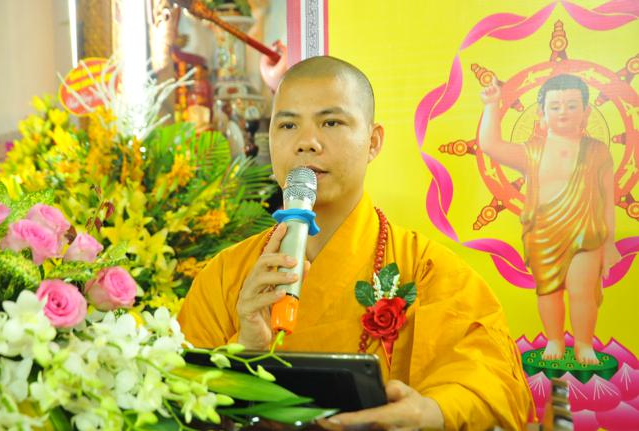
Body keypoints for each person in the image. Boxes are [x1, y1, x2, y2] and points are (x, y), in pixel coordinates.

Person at [179, 56, 533, 430]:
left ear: (373, 142)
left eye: (331, 122)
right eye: (287, 125)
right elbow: (172, 395)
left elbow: (490, 384)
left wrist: (430, 412)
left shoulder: (428, 271)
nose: (306, 143)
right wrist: (245, 351)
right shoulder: (225, 275)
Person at [478, 74, 621, 365]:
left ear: (586, 111)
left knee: (582, 291)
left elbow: (608, 199)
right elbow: (490, 145)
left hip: (586, 231)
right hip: (543, 233)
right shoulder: (531, 151)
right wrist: (492, 105)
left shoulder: (597, 151)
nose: (563, 112)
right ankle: (554, 339)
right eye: (555, 107)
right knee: (548, 290)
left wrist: (609, 242)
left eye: (572, 105)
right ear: (542, 113)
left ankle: (583, 344)